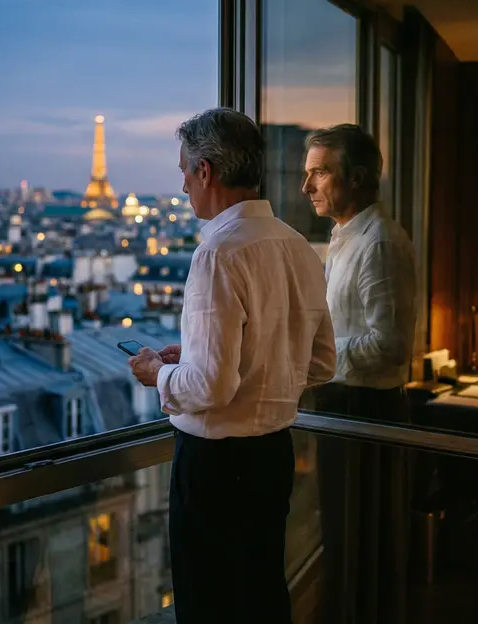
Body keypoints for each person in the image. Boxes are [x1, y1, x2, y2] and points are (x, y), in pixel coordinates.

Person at [128, 108, 336, 624]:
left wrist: (159, 373)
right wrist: (258, 370)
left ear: (206, 171)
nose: (181, 188)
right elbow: (323, 361)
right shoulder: (298, 246)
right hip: (273, 457)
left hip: (215, 468)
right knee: (261, 596)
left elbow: (212, 387)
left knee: (209, 605)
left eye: (183, 172)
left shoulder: (217, 254)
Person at [302, 123, 417, 624]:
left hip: (363, 410)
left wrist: (319, 357)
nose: (306, 187)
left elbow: (391, 345)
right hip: (343, 406)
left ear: (360, 178)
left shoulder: (378, 244)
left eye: (320, 173)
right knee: (346, 539)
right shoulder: (345, 237)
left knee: (361, 542)